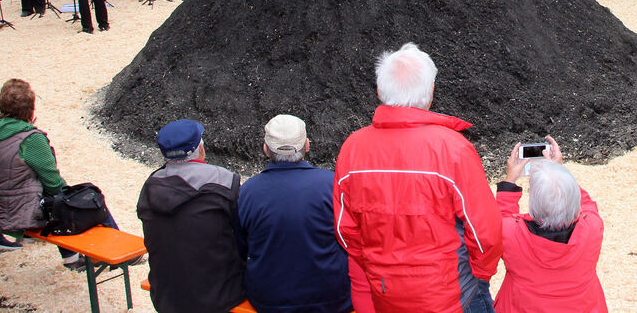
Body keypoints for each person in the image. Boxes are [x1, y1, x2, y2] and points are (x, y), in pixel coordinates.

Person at [334, 43, 503, 313]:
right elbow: (485, 231)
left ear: (379, 91)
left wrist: (377, 266)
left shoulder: (352, 148)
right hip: (450, 293)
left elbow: (346, 230)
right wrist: (481, 273)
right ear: (431, 92)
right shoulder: (453, 149)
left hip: (386, 291)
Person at [0, 79, 109, 268]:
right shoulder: (31, 139)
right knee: (87, 200)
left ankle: (72, 255)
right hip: (20, 216)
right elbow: (54, 184)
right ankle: (99, 255)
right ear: (31, 109)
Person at [236, 115, 353, 313]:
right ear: (306, 145)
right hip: (332, 298)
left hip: (269, 301)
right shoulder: (331, 184)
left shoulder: (247, 192)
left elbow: (241, 248)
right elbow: (350, 238)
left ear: (265, 149)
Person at [137, 119, 245, 313]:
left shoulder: (150, 185)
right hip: (218, 296)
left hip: (165, 295)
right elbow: (243, 234)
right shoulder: (225, 181)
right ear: (200, 148)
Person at [493, 136, 606, 313]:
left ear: (533, 203)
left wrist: (510, 181)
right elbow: (585, 202)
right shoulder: (592, 227)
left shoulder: (511, 234)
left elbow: (500, 220)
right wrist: (558, 171)